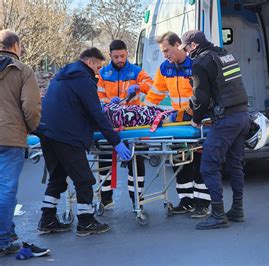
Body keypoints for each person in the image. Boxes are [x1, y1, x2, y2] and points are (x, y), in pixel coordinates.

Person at [36, 47, 132, 237]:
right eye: (97, 67)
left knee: (57, 176)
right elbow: (96, 114)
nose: (98, 72)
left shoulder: (63, 76)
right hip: (67, 135)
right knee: (84, 179)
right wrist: (116, 141)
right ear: (89, 63)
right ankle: (86, 221)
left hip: (47, 131)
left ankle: (47, 219)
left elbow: (74, 106)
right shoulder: (83, 79)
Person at [179, 30, 250, 230]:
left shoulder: (200, 62)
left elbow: (201, 97)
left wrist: (196, 119)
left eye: (186, 48)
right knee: (235, 165)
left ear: (193, 45)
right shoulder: (225, 54)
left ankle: (218, 214)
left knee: (208, 165)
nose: (186, 52)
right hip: (243, 115)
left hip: (226, 119)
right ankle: (237, 209)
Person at [145, 31, 210, 218]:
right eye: (163, 52)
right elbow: (153, 96)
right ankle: (186, 201)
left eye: (167, 50)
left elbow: (204, 96)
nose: (165, 55)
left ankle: (202, 204)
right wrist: (142, 115)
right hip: (178, 125)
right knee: (180, 163)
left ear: (178, 45)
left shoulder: (195, 64)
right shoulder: (165, 68)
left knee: (200, 163)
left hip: (198, 122)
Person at [97, 40, 153, 210]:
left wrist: (138, 86)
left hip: (133, 124)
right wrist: (108, 101)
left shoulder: (136, 71)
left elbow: (151, 86)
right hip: (111, 124)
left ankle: (137, 200)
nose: (120, 59)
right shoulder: (103, 73)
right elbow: (98, 98)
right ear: (110, 56)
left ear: (127, 53)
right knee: (105, 161)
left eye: (122, 56)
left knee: (136, 162)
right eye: (116, 57)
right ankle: (105, 199)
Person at [0, 29, 42, 256]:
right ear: (15, 45)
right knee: (6, 189)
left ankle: (8, 231)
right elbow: (32, 107)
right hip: (10, 137)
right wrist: (30, 127)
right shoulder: (23, 71)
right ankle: (3, 240)